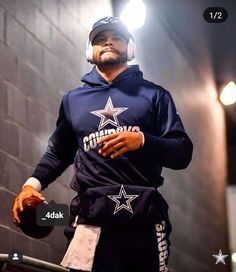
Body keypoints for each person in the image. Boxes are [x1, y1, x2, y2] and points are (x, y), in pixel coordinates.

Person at [12, 16, 193, 272]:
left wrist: (142, 140)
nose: (108, 41)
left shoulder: (155, 95)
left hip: (144, 220)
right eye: (99, 38)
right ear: (90, 50)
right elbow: (58, 152)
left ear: (130, 48)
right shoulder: (73, 100)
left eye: (116, 37)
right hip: (90, 222)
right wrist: (31, 186)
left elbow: (182, 151)